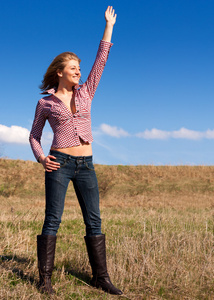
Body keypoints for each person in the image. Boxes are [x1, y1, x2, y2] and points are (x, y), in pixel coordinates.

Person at [29, 6, 122, 296]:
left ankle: (100, 278)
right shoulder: (46, 103)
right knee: (52, 218)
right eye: (73, 68)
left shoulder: (86, 92)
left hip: (86, 164)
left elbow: (101, 60)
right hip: (59, 162)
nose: (79, 71)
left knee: (93, 219)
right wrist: (43, 158)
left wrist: (108, 27)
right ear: (60, 73)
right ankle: (45, 280)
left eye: (79, 68)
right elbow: (34, 135)